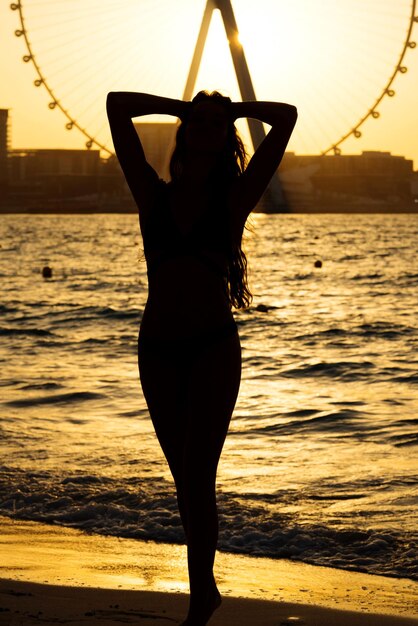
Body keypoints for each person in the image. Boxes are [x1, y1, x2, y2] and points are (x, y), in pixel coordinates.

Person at [106, 89, 297, 625]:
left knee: (198, 474)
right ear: (185, 129)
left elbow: (285, 119)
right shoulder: (151, 193)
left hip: (213, 347)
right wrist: (187, 107)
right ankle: (205, 589)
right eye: (199, 121)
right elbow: (116, 106)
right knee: (183, 479)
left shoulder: (235, 199)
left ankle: (197, 602)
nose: (209, 127)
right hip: (158, 350)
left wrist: (230, 112)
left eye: (219, 124)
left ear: (227, 136)